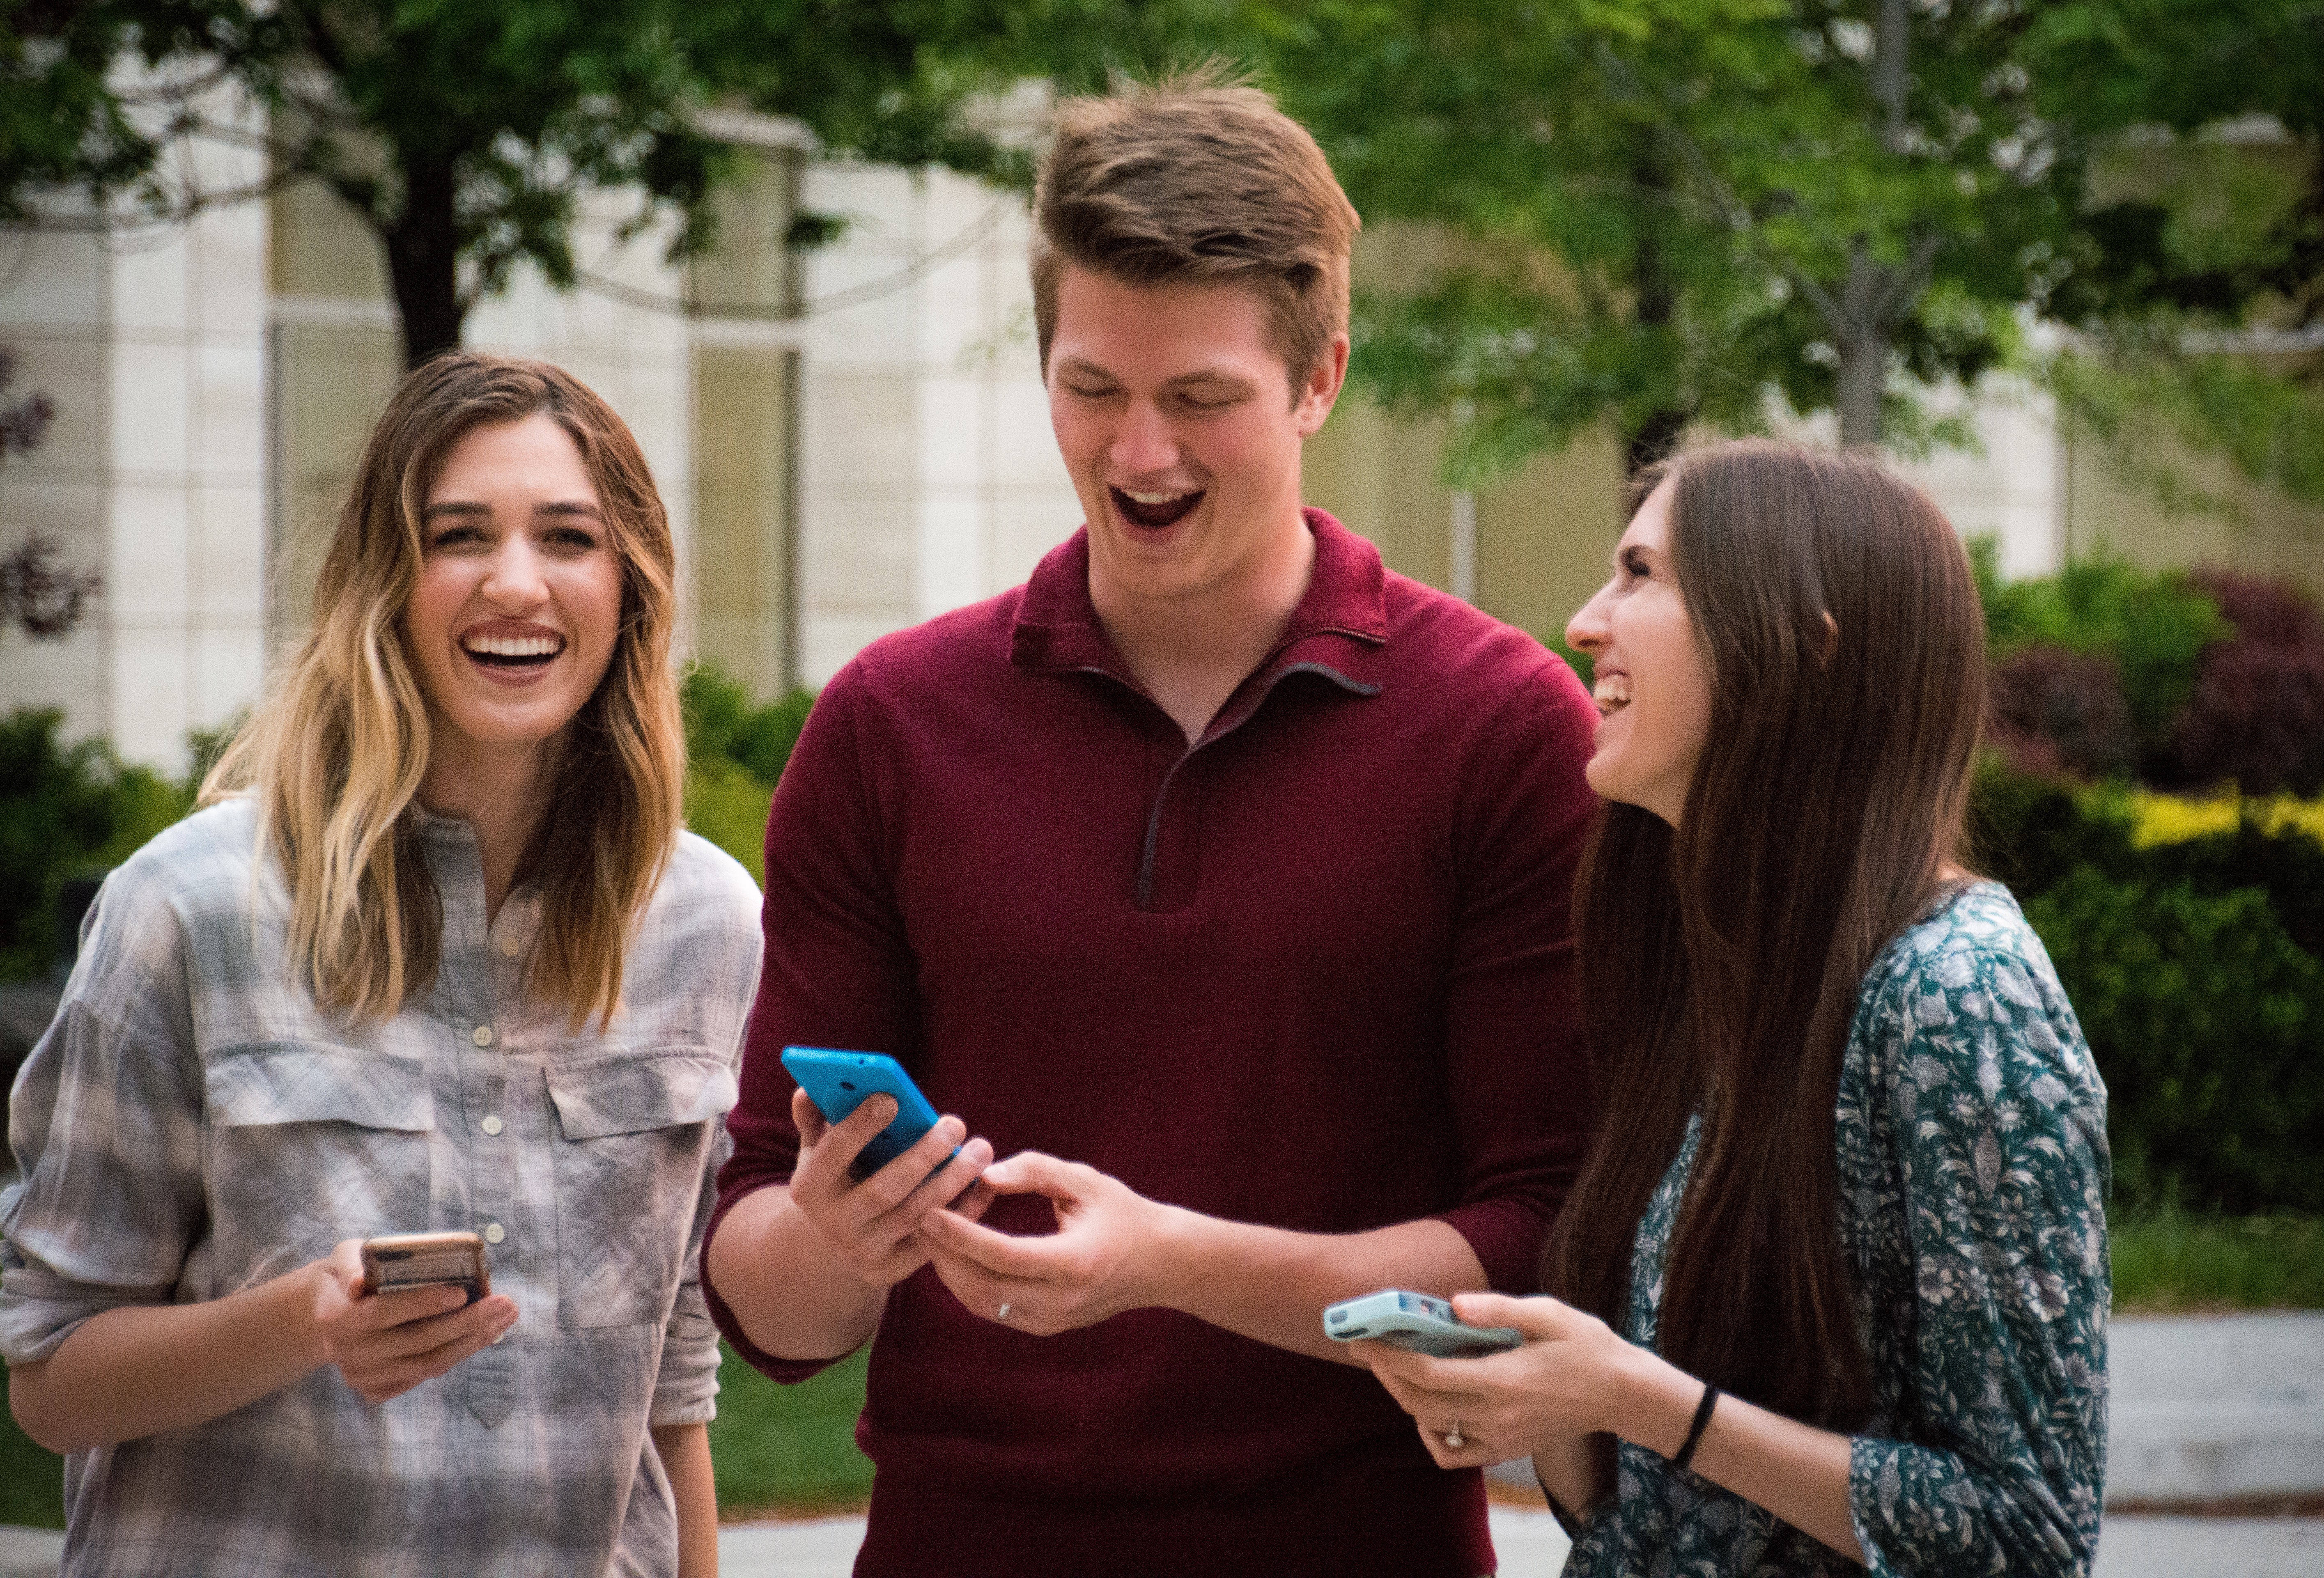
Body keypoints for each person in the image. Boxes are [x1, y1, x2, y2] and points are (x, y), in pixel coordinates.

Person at [702, 73, 1601, 1577]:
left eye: (1200, 400)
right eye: (1091, 388)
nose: (1137, 455)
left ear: (1320, 379)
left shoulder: (1502, 728)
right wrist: (834, 1240)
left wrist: (1172, 1266)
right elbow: (772, 1309)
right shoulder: (888, 724)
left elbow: (1547, 1245)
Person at [1, 353, 762, 1577]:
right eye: (459, 535)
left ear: (628, 587)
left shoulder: (708, 919)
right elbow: (48, 1373)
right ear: (381, 584)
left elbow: (671, 1370)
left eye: (568, 536)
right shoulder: (190, 912)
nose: (516, 583)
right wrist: (300, 1324)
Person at [1357, 440, 2110, 1576]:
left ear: (1800, 648)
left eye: (1642, 575)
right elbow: (1650, 1511)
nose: (1584, 620)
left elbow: (2024, 1533)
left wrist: (1645, 1398)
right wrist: (1546, 1410)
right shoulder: (1711, 973)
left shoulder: (1958, 994)